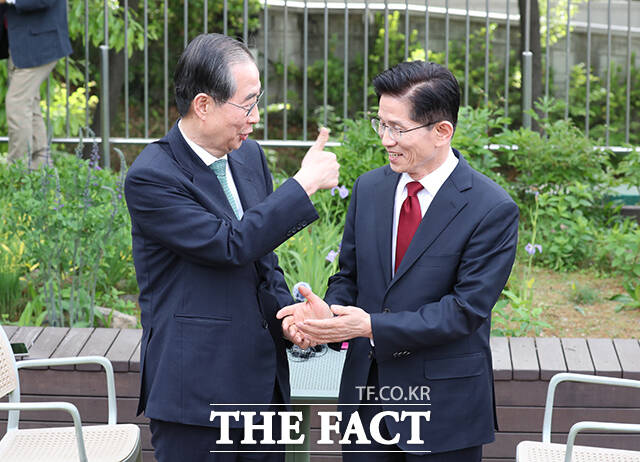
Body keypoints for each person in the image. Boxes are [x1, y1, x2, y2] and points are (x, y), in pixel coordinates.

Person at [279, 61, 519, 461]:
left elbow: (465, 311)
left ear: (442, 131)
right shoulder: (369, 188)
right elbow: (349, 276)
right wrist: (329, 314)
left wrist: (371, 326)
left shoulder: (491, 208)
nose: (385, 139)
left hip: (443, 409)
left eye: (397, 129)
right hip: (365, 402)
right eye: (381, 124)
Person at [124, 33, 339, 462]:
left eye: (258, 101)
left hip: (262, 387)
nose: (255, 117)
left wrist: (289, 318)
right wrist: (303, 184)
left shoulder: (249, 157)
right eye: (247, 104)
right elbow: (229, 245)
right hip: (196, 394)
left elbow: (263, 258)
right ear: (203, 105)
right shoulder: (153, 176)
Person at [0, 0, 71, 167]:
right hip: (22, 43)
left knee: (17, 104)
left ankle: (18, 169)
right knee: (29, 105)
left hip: (39, 42)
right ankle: (41, 164)